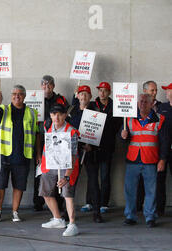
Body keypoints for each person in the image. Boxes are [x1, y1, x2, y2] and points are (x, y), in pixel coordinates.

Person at [0, 85, 41, 222]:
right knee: (0, 184)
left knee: (19, 185)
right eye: (14, 93)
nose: (17, 96)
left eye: (20, 94)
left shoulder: (32, 112)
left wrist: (38, 154)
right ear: (11, 95)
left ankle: (15, 212)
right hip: (4, 154)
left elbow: (37, 134)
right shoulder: (3, 109)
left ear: (25, 96)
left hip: (23, 154)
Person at [120, 94, 169, 228]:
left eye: (146, 102)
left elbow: (165, 142)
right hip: (132, 160)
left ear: (152, 103)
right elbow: (122, 140)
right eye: (140, 101)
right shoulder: (128, 119)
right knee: (129, 190)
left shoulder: (160, 119)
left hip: (151, 160)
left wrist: (163, 160)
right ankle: (130, 216)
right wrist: (123, 136)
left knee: (151, 191)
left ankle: (150, 217)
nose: (143, 104)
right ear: (137, 103)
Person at [78, 82, 122, 215]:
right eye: (100, 90)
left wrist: (105, 125)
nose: (102, 93)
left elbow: (117, 125)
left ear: (109, 92)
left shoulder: (115, 106)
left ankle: (103, 203)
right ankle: (89, 202)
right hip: (92, 147)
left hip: (107, 146)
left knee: (105, 175)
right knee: (92, 176)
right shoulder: (91, 105)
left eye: (105, 90)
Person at [40, 104, 80, 236]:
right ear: (50, 116)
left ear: (64, 115)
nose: (56, 117)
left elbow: (74, 156)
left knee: (67, 194)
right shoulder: (48, 128)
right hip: (50, 165)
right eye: (53, 114)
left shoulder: (71, 131)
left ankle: (72, 224)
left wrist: (67, 176)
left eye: (59, 114)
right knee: (46, 192)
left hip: (66, 166)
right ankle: (57, 219)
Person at [33, 75, 69, 212]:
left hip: (57, 139)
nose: (46, 88)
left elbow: (67, 115)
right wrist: (38, 152)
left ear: (53, 86)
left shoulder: (61, 99)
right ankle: (38, 202)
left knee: (57, 171)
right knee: (39, 170)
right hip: (40, 138)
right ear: (41, 86)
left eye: (49, 85)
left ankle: (57, 203)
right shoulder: (35, 98)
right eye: (44, 85)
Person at [69, 85, 104, 223]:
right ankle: (67, 211)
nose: (83, 97)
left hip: (90, 152)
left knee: (94, 182)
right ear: (77, 96)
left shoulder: (96, 111)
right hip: (74, 152)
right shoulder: (71, 111)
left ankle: (96, 212)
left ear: (90, 97)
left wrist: (92, 145)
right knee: (71, 182)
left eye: (86, 94)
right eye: (81, 94)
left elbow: (100, 132)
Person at [137, 80, 166, 212]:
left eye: (155, 91)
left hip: (157, 151)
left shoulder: (163, 107)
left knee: (158, 182)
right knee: (140, 182)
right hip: (140, 152)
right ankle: (138, 207)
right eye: (152, 90)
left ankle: (158, 209)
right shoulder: (136, 109)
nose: (155, 93)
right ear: (145, 92)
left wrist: (163, 156)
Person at [155, 83, 172, 216]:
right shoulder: (162, 107)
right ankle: (160, 209)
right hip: (162, 150)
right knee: (160, 179)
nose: (166, 92)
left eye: (168, 90)